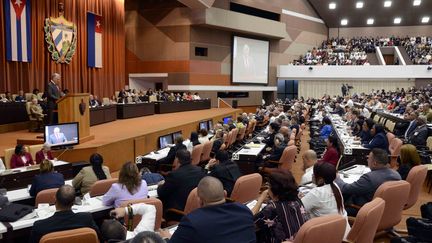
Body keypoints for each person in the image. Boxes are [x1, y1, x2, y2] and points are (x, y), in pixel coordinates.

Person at [160, 176, 256, 243]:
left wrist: (166, 238)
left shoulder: (192, 221)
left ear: (200, 200)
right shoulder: (244, 210)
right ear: (225, 194)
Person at [335, 148, 401, 216]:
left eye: (369, 158)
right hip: (387, 210)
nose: (367, 160)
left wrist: (337, 178)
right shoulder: (397, 175)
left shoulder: (369, 178)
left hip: (362, 210)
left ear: (374, 163)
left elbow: (345, 188)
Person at [29, 185, 101, 243]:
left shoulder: (39, 226)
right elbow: (99, 237)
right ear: (74, 202)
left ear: (55, 199)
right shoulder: (86, 218)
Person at [252, 170, 309, 242]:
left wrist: (260, 199)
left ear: (274, 189)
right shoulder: (297, 200)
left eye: (268, 185)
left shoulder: (272, 208)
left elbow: (249, 223)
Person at [301, 162, 350, 238]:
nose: (312, 175)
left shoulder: (316, 193)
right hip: (343, 233)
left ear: (320, 179)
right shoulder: (335, 185)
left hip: (328, 236)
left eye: (314, 174)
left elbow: (298, 209)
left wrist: (298, 198)